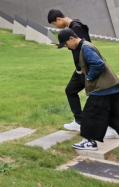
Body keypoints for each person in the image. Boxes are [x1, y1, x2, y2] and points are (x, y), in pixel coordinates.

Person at [48, 10, 117, 139]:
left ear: (58, 19)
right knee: (75, 92)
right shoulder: (75, 26)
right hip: (84, 70)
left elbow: (85, 49)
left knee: (97, 103)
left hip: (86, 70)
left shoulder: (76, 28)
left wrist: (88, 75)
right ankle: (81, 121)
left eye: (54, 23)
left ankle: (97, 131)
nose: (55, 26)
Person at [57, 29, 119, 151]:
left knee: (89, 116)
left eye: (66, 44)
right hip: (112, 87)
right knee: (114, 116)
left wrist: (89, 77)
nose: (67, 47)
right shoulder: (86, 46)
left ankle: (89, 142)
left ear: (71, 38)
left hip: (102, 88)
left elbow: (97, 64)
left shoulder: (85, 48)